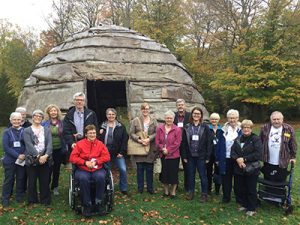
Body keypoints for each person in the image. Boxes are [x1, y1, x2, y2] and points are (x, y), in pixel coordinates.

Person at [69, 125, 110, 217]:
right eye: (90, 133)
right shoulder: (80, 144)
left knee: (100, 177)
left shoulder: (100, 144)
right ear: (86, 134)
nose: (92, 135)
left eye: (94, 133)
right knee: (83, 178)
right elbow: (72, 157)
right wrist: (84, 162)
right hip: (83, 168)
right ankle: (87, 204)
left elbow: (106, 156)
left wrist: (97, 161)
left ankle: (99, 202)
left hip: (97, 168)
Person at [231, 120, 262, 216]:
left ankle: (252, 208)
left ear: (251, 128)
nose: (246, 129)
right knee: (240, 188)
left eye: (248, 127)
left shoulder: (256, 139)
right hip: (239, 168)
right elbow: (233, 151)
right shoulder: (238, 138)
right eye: (244, 127)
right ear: (242, 128)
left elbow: (258, 154)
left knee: (251, 188)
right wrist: (237, 159)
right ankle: (244, 204)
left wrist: (244, 159)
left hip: (251, 168)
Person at [181, 107, 212, 202]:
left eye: (198, 114)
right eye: (194, 113)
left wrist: (208, 156)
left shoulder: (205, 127)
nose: (196, 115)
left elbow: (209, 142)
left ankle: (204, 194)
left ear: (201, 115)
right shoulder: (186, 127)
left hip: (201, 156)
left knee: (203, 175)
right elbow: (184, 143)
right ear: (192, 115)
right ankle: (191, 192)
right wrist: (184, 156)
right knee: (190, 175)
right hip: (190, 156)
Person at [23, 110, 53, 205]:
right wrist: (38, 157)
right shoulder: (27, 130)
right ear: (32, 118)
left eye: (40, 116)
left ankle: (45, 200)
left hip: (45, 158)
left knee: (44, 181)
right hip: (32, 158)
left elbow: (49, 144)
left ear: (42, 118)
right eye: (36, 116)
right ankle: (32, 200)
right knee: (32, 181)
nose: (38, 118)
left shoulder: (47, 129)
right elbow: (28, 145)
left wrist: (46, 155)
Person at [260, 111, 297, 181]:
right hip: (267, 159)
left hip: (283, 160)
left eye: (278, 119)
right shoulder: (265, 128)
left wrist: (293, 157)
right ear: (271, 120)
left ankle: (280, 191)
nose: (276, 121)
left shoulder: (288, 129)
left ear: (282, 119)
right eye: (274, 119)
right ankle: (268, 191)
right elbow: (260, 142)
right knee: (268, 179)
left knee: (280, 179)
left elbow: (293, 144)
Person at [130, 102, 158, 194]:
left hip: (150, 147)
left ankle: (150, 188)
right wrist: (139, 140)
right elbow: (131, 133)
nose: (145, 111)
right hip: (139, 147)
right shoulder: (136, 120)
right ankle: (140, 188)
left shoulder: (154, 121)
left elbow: (156, 132)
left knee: (150, 169)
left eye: (147, 109)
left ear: (149, 110)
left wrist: (149, 139)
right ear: (141, 110)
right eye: (144, 109)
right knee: (140, 169)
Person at [99, 108, 129, 195]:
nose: (111, 116)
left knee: (123, 169)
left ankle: (123, 188)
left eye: (112, 114)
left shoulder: (120, 126)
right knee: (106, 170)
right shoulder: (102, 126)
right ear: (106, 115)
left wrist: (122, 152)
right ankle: (108, 186)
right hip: (105, 152)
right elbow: (98, 139)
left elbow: (124, 140)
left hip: (118, 152)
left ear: (115, 115)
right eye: (109, 114)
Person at [1, 112, 26, 207]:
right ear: (11, 120)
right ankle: (5, 198)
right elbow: (6, 147)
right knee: (9, 179)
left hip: (22, 159)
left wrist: (24, 154)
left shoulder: (25, 131)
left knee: (20, 178)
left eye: (18, 119)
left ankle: (19, 197)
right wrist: (17, 155)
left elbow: (28, 144)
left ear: (21, 120)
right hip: (10, 160)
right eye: (14, 119)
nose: (16, 121)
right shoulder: (7, 132)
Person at [155, 110, 182, 199]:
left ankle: (173, 192)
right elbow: (157, 141)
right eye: (167, 118)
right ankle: (166, 191)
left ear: (173, 119)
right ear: (164, 119)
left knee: (173, 174)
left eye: (170, 118)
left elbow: (177, 143)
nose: (169, 119)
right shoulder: (160, 128)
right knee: (164, 174)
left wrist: (169, 150)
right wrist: (162, 148)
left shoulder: (177, 129)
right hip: (163, 155)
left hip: (174, 156)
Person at [42, 104, 67, 195]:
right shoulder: (44, 123)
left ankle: (55, 187)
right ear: (48, 112)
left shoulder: (62, 123)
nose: (53, 112)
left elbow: (65, 134)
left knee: (56, 169)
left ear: (57, 112)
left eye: (55, 111)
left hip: (59, 149)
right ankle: (46, 187)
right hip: (47, 150)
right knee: (48, 169)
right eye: (51, 111)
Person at [222, 109, 242, 203]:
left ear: (237, 118)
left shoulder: (242, 129)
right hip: (226, 157)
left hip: (237, 158)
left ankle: (239, 198)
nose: (232, 120)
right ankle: (226, 197)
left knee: (238, 179)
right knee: (226, 179)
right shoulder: (223, 129)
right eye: (230, 118)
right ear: (228, 119)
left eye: (234, 118)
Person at [173, 99, 191, 192]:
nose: (180, 106)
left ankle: (187, 186)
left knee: (186, 165)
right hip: (175, 144)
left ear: (185, 106)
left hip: (186, 143)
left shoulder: (189, 116)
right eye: (179, 104)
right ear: (176, 106)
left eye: (182, 104)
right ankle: (175, 186)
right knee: (174, 166)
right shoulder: (173, 116)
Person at [207, 113, 225, 195]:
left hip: (218, 154)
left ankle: (217, 189)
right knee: (208, 172)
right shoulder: (207, 129)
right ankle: (208, 189)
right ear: (210, 120)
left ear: (218, 120)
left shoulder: (222, 130)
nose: (214, 121)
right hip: (209, 154)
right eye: (212, 119)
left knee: (218, 172)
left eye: (216, 119)